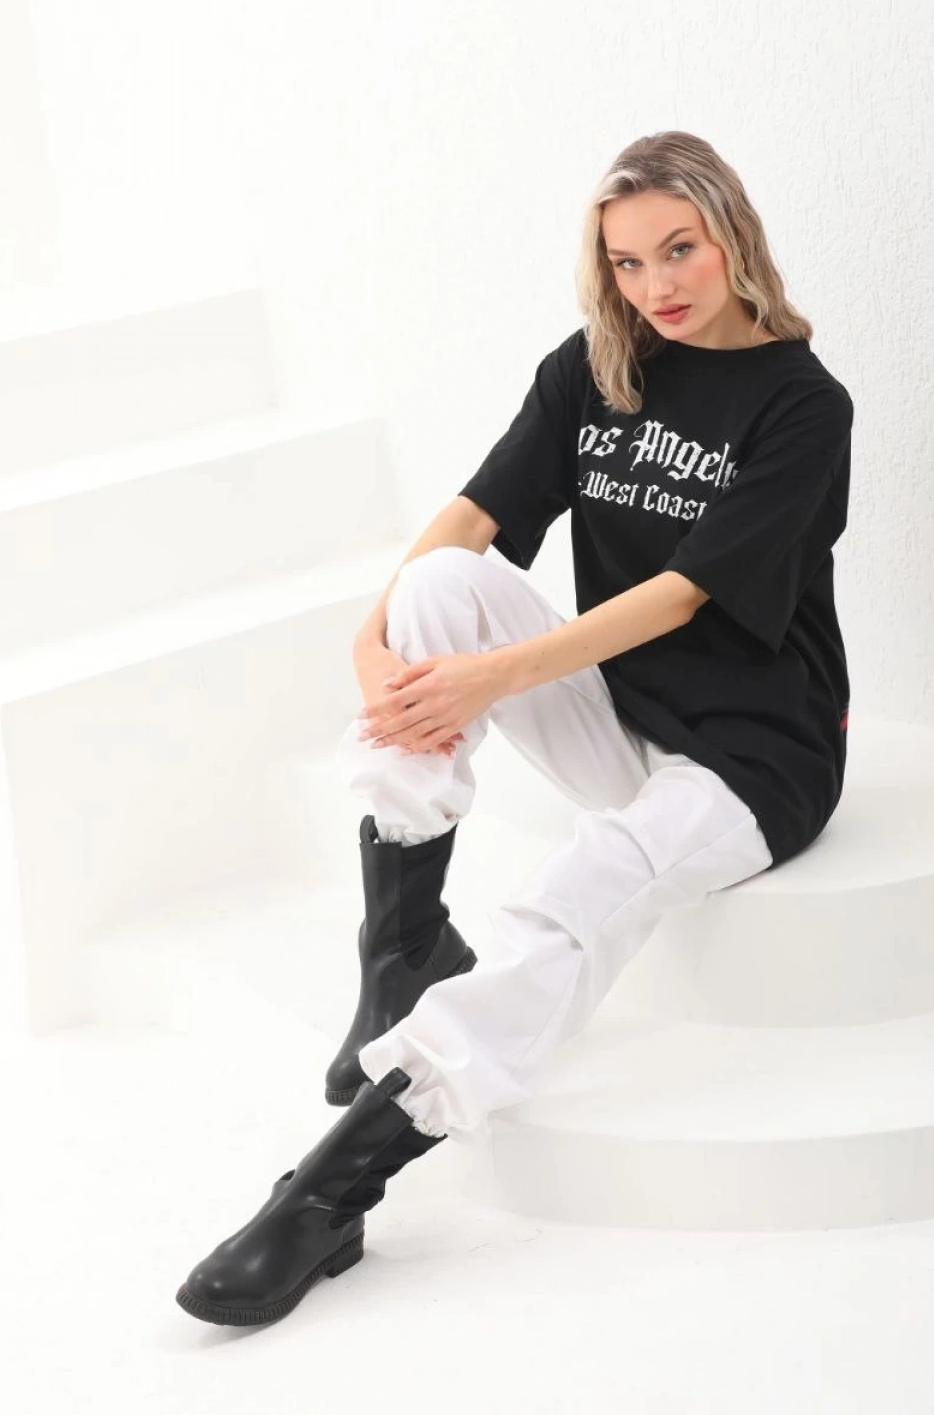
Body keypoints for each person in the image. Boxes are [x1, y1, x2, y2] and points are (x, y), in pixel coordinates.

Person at [176, 129, 854, 1325]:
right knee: (438, 586)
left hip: (756, 759)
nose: (657, 286)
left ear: (732, 235)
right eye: (629, 263)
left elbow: (682, 595)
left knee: (576, 889)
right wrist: (371, 641)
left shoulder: (803, 405)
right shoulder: (598, 367)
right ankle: (401, 953)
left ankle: (331, 1192)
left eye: (680, 249)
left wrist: (489, 680)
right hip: (623, 715)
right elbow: (472, 517)